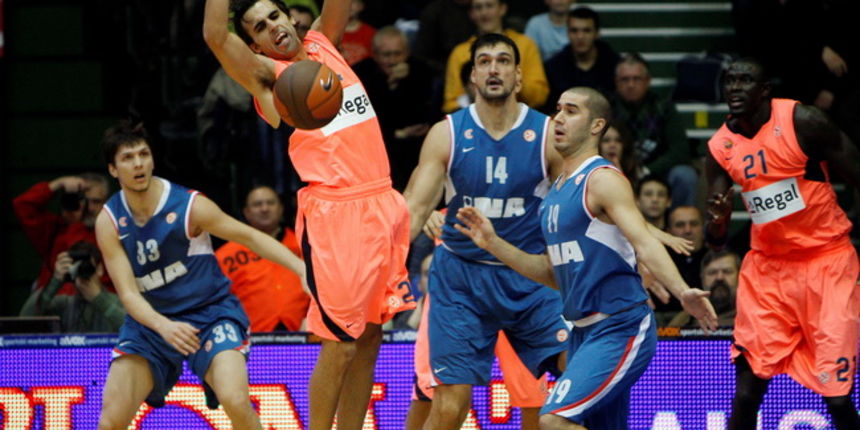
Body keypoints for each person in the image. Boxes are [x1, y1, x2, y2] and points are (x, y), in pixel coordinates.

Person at [203, 1, 415, 429]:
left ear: (291, 18)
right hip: (337, 215)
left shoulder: (322, 42)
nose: (272, 27)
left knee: (370, 337)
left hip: (382, 201)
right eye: (259, 27)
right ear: (255, 44)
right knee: (340, 343)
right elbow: (215, 36)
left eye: (275, 16)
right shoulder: (268, 77)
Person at [454, 86, 717, 429]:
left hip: (620, 324)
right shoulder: (555, 192)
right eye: (558, 109)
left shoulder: (602, 179)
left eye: (571, 110)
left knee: (553, 421)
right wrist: (493, 244)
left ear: (596, 126)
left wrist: (682, 291)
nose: (558, 118)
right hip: (582, 331)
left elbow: (643, 242)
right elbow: (552, 272)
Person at [403, 33, 569, 430]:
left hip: (529, 276)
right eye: (484, 61)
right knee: (449, 406)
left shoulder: (548, 134)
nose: (494, 68)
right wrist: (377, 272)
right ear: (473, 76)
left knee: (581, 375)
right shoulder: (447, 133)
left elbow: (583, 205)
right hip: (462, 281)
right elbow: (413, 211)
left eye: (503, 61)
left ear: (518, 75)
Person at [94, 121, 306, 430]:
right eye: (128, 158)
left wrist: (301, 268)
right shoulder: (109, 221)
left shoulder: (189, 206)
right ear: (113, 169)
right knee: (110, 420)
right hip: (152, 322)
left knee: (235, 400)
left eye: (143, 154)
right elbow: (128, 294)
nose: (138, 163)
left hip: (210, 315)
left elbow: (249, 236)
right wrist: (163, 325)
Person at [705, 58, 860, 430]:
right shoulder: (720, 146)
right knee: (746, 394)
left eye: (745, 80)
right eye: (730, 80)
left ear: (764, 91)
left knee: (837, 398)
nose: (735, 87)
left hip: (827, 263)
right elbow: (715, 241)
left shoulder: (803, 121)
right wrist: (720, 221)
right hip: (768, 271)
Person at [353, 26, 436, 191]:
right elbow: (365, 117)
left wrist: (405, 84)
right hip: (376, 147)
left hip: (415, 147)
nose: (392, 61)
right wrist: (390, 84)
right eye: (386, 55)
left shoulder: (423, 71)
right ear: (375, 55)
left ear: (407, 52)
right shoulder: (360, 73)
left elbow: (427, 111)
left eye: (397, 54)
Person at [216, 185, 309, 332]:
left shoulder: (307, 246)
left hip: (304, 333)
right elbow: (215, 300)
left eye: (270, 203)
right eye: (257, 204)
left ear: (281, 208)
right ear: (246, 212)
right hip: (248, 336)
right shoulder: (225, 255)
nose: (264, 209)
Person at [611, 53, 697, 207]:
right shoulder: (606, 109)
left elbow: (680, 151)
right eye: (625, 79)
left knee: (685, 175)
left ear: (648, 81)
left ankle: (680, 220)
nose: (631, 84)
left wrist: (646, 170)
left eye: (637, 79)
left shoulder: (664, 107)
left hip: (657, 172)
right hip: (615, 171)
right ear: (616, 82)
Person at [442, 0, 549, 113]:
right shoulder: (459, 53)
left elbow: (539, 96)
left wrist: (512, 79)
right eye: (478, 7)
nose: (484, 13)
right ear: (471, 13)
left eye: (489, 5)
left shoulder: (525, 44)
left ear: (502, 9)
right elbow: (451, 104)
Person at [13, 172, 110, 295]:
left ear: (106, 202)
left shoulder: (113, 232)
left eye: (96, 201)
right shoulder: (54, 229)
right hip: (55, 301)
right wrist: (57, 184)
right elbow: (23, 205)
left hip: (98, 301)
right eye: (83, 200)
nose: (89, 208)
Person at [21, 240, 126, 333]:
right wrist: (55, 281)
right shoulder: (64, 304)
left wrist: (98, 298)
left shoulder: (118, 302)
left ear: (100, 269)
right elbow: (26, 319)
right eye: (78, 268)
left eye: (88, 266)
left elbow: (130, 329)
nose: (83, 271)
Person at [543, 6, 619, 112]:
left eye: (586, 31)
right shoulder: (553, 68)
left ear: (597, 33)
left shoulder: (615, 66)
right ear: (567, 33)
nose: (580, 36)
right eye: (574, 31)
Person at [649, 205, 707, 325]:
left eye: (694, 224)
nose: (688, 230)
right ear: (668, 232)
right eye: (680, 225)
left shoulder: (716, 257)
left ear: (703, 228)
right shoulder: (656, 261)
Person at [669, 249, 740, 328]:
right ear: (702, 277)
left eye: (727, 271)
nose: (719, 277)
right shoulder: (685, 319)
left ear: (739, 276)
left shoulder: (749, 313)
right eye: (712, 272)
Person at [598, 119, 641, 185]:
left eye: (618, 140)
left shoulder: (639, 173)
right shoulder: (588, 172)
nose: (612, 145)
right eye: (606, 140)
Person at [339, 0, 375, 65]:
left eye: (352, 1)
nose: (348, 5)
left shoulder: (370, 33)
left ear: (361, 6)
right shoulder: (331, 31)